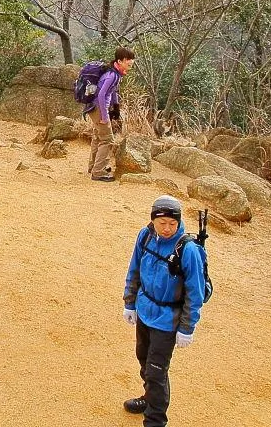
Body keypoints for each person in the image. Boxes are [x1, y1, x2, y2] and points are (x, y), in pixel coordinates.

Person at [122, 195, 205, 427]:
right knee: (144, 359)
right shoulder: (145, 236)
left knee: (156, 371)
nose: (167, 228)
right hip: (145, 312)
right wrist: (130, 302)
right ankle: (149, 398)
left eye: (172, 223)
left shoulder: (188, 250)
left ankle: (155, 421)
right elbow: (134, 269)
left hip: (168, 320)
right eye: (162, 223)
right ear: (153, 221)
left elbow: (195, 292)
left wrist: (187, 328)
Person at [85, 46, 135, 182]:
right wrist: (105, 115)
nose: (131, 62)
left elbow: (113, 92)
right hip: (98, 108)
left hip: (95, 108)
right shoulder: (112, 75)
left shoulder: (116, 73)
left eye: (132, 59)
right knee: (107, 140)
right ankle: (98, 172)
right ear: (119, 61)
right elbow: (101, 95)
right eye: (128, 59)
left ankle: (94, 166)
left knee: (97, 137)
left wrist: (116, 107)